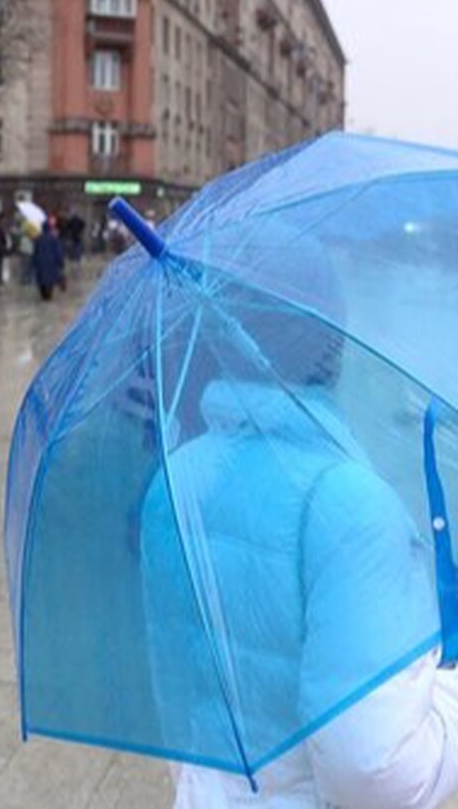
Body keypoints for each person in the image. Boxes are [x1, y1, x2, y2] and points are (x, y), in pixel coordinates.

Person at [141, 234, 458, 808]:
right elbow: (375, 774)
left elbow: (182, 695)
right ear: (333, 342)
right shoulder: (349, 505)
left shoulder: (173, 481)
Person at [32, 218, 65, 301]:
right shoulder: (54, 238)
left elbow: (35, 251)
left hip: (41, 262)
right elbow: (58, 251)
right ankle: (48, 295)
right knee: (50, 280)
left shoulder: (38, 238)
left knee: (41, 279)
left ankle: (43, 295)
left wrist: (34, 262)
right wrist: (60, 261)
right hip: (51, 262)